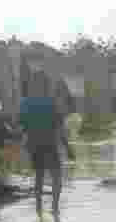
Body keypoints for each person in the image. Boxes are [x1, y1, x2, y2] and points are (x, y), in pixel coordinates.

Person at [18, 71, 74, 213]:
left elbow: (21, 128)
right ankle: (54, 209)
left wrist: (23, 146)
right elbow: (59, 128)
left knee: (39, 177)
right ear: (45, 85)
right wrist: (68, 149)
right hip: (50, 144)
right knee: (56, 176)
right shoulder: (52, 102)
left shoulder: (25, 103)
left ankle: (38, 210)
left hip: (34, 145)